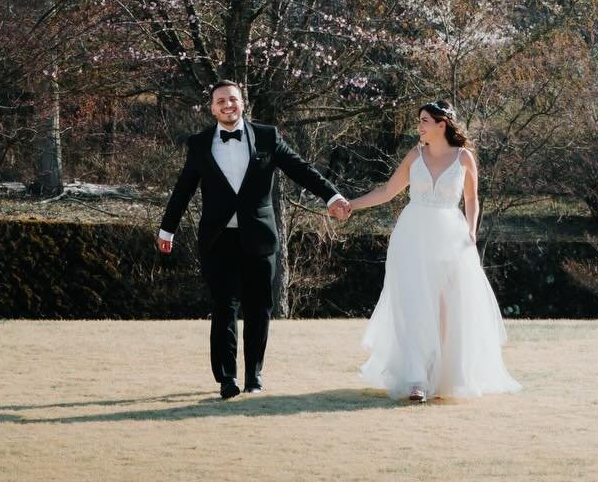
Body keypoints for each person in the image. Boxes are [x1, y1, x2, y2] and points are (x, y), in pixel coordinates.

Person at [157, 79, 350, 398]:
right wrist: (168, 229)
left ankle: (254, 376)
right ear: (212, 108)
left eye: (232, 99)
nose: (227, 105)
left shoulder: (267, 136)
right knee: (224, 307)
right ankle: (227, 378)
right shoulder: (200, 143)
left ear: (242, 103)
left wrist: (332, 197)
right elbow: (183, 188)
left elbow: (300, 170)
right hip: (218, 240)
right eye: (220, 101)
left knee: (260, 308)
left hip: (259, 238)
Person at [340, 101, 520, 402]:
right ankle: (416, 379)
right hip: (412, 236)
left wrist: (472, 231)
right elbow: (387, 191)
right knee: (413, 304)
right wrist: (350, 205)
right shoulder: (415, 155)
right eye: (419, 121)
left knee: (445, 308)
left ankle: (442, 373)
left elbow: (472, 200)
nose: (419, 126)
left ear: (442, 124)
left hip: (450, 236)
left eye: (425, 120)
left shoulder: (464, 158)